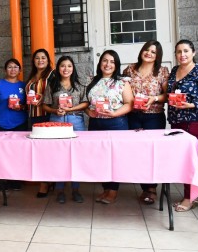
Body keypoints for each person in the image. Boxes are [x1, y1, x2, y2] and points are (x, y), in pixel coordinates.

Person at [167, 39, 198, 212]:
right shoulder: (174, 71)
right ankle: (189, 194)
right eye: (179, 52)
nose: (182, 55)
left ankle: (190, 198)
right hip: (176, 119)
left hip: (195, 119)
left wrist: (193, 105)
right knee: (183, 157)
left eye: (186, 51)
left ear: (193, 53)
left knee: (189, 156)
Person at [122, 40, 169, 205]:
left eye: (153, 52)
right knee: (137, 151)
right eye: (147, 50)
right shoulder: (129, 69)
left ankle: (151, 188)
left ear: (157, 56)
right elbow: (121, 90)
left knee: (151, 151)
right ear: (142, 51)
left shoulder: (162, 71)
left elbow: (167, 95)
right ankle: (144, 186)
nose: (149, 53)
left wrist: (153, 98)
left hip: (154, 116)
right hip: (133, 116)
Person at [85, 50, 134, 204]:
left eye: (112, 61)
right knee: (99, 158)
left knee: (114, 158)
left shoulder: (122, 82)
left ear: (116, 65)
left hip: (116, 123)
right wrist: (88, 112)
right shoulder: (92, 81)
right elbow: (85, 103)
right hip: (95, 124)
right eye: (105, 61)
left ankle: (113, 191)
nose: (108, 64)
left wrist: (114, 114)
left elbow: (130, 104)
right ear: (100, 64)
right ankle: (105, 189)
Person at [42, 56, 89, 203]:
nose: (66, 69)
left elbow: (85, 103)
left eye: (69, 66)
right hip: (56, 121)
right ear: (58, 68)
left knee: (76, 156)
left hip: (76, 121)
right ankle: (60, 189)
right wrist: (55, 111)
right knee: (58, 156)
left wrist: (71, 109)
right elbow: (44, 105)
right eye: (63, 66)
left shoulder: (79, 85)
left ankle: (76, 189)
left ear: (73, 68)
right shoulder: (52, 85)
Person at [0, 58, 28, 190]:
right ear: (5, 70)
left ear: (20, 70)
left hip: (19, 124)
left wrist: (20, 107)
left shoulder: (24, 85)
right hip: (1, 124)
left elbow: (28, 106)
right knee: (1, 154)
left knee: (17, 153)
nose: (13, 69)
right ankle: (1, 181)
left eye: (15, 67)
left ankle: (15, 181)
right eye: (10, 67)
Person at [25, 48, 55, 198]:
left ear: (48, 59)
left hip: (46, 116)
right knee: (37, 150)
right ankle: (46, 179)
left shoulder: (52, 74)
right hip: (32, 116)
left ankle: (45, 183)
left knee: (46, 151)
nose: (40, 60)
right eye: (37, 58)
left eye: (43, 58)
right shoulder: (31, 76)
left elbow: (55, 93)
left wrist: (42, 99)